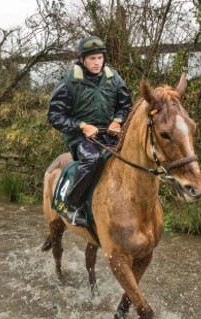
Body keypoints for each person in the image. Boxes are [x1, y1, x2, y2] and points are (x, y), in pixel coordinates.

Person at [47, 35, 132, 226]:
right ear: (83, 60)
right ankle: (74, 205)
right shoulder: (69, 82)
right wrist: (82, 126)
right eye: (92, 58)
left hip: (109, 135)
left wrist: (118, 121)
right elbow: (54, 115)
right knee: (94, 159)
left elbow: (125, 106)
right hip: (80, 139)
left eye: (100, 58)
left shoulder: (114, 78)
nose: (97, 62)